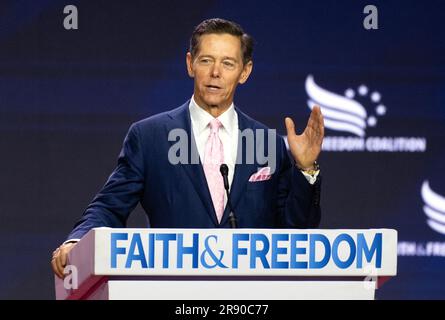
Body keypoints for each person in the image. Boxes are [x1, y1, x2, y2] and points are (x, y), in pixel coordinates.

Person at [51, 18, 324, 278]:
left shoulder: (267, 143)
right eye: (206, 61)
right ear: (190, 64)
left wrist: (305, 169)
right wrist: (78, 241)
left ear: (245, 72)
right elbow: (109, 207)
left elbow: (295, 235)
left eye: (228, 63)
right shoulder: (150, 137)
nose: (215, 73)